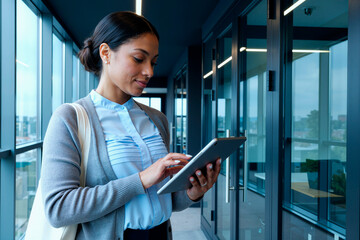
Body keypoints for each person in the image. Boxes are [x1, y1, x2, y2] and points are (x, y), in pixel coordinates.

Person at [41, 11, 221, 240]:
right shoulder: (70, 118)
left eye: (153, 62)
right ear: (106, 53)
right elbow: (59, 208)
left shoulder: (157, 119)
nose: (149, 71)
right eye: (138, 58)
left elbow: (165, 199)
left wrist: (193, 193)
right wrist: (141, 179)